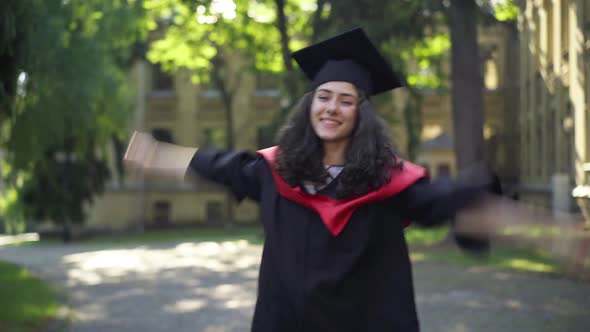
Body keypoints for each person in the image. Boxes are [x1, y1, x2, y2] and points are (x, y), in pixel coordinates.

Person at [125, 28, 495, 332]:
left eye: (346, 101)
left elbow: (444, 199)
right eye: (324, 96)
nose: (332, 107)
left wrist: (517, 217)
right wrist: (157, 155)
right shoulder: (276, 171)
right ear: (311, 105)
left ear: (360, 115)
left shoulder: (388, 182)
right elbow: (220, 165)